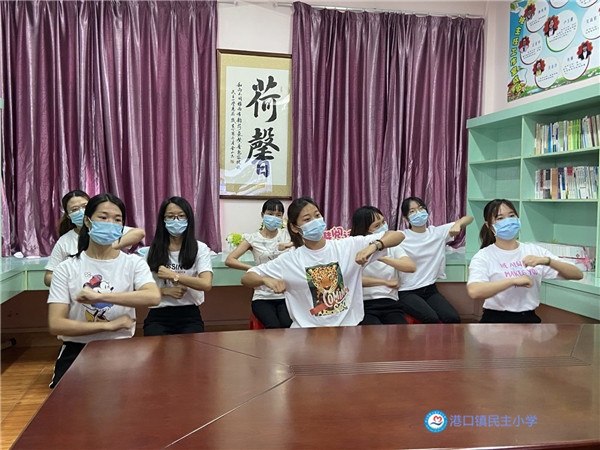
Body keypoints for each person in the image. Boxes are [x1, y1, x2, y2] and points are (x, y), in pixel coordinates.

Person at [47, 193, 160, 388]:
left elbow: (153, 296)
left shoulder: (134, 263)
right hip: (77, 349)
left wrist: (102, 296)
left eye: (117, 219)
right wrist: (108, 326)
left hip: (121, 346)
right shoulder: (66, 268)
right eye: (103, 217)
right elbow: (56, 324)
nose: (110, 224)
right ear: (87, 221)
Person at [241, 197, 406, 328]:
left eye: (317, 215)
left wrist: (374, 246)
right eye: (307, 219)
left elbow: (398, 235)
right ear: (294, 228)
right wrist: (265, 280)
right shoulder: (289, 259)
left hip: (348, 328)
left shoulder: (347, 246)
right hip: (307, 331)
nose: (315, 221)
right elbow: (247, 278)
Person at [466, 199, 583, 323]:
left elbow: (577, 274)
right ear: (489, 225)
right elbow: (474, 291)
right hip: (496, 320)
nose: (508, 221)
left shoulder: (534, 251)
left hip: (528, 318)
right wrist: (512, 281)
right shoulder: (484, 256)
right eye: (500, 218)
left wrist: (547, 261)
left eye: (511, 216)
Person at [44, 190, 145, 286]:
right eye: (75, 209)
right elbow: (48, 277)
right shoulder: (65, 242)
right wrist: (75, 280)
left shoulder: (109, 229)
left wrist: (111, 246)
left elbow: (139, 233)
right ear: (68, 215)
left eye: (85, 206)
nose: (81, 211)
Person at [397, 196, 473, 323]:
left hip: (430, 289)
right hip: (407, 291)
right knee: (431, 318)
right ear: (405, 218)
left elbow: (469, 218)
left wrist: (458, 224)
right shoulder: (401, 237)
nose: (418, 213)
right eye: (412, 211)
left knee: (453, 318)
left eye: (421, 208)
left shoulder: (437, 233)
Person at [144, 196, 213, 335]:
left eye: (181, 216)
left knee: (192, 346)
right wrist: (164, 291)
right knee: (156, 345)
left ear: (189, 219)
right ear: (163, 220)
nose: (176, 220)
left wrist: (174, 276)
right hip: (159, 314)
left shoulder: (200, 248)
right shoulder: (151, 251)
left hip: (189, 314)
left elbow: (206, 284)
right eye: (170, 216)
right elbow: (139, 290)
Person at [225, 199, 294, 328]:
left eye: (278, 215)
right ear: (262, 215)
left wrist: (291, 244)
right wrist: (254, 269)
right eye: (270, 214)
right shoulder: (253, 238)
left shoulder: (288, 236)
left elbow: (304, 248)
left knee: (287, 325)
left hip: (286, 294)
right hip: (262, 297)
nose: (274, 218)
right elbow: (230, 260)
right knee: (273, 326)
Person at [350, 206, 416, 325]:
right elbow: (353, 279)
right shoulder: (354, 248)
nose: (383, 227)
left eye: (383, 222)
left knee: (401, 332)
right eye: (377, 226)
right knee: (375, 333)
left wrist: (381, 257)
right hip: (364, 304)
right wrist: (384, 282)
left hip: (390, 302)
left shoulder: (392, 246)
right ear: (365, 230)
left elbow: (410, 267)